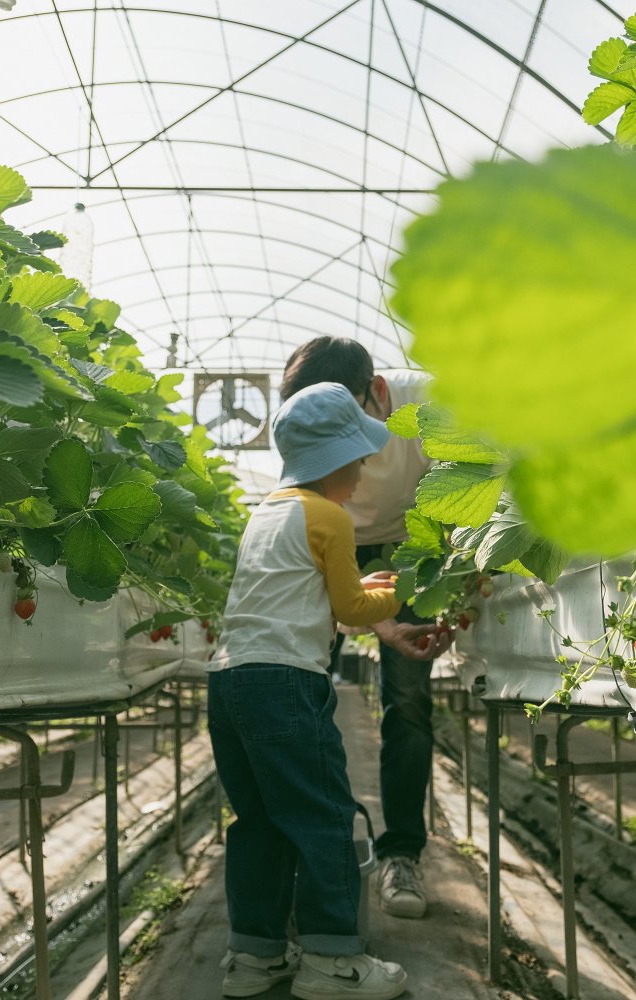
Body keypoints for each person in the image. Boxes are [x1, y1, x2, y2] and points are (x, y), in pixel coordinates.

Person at [208, 381, 409, 1000]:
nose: (362, 472)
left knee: (258, 821)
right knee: (323, 816)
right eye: (358, 461)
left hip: (230, 679)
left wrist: (365, 585)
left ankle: (255, 957)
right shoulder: (331, 516)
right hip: (286, 683)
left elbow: (304, 592)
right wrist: (399, 590)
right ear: (336, 460)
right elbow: (351, 609)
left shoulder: (266, 515)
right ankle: (332, 961)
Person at [279, 338, 450, 921]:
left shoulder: (430, 404)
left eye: (346, 422)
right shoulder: (307, 426)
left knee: (409, 698)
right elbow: (311, 531)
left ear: (378, 392)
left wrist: (452, 579)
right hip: (336, 535)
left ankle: (401, 854)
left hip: (415, 538)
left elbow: (464, 497)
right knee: (302, 685)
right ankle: (306, 849)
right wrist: (367, 613)